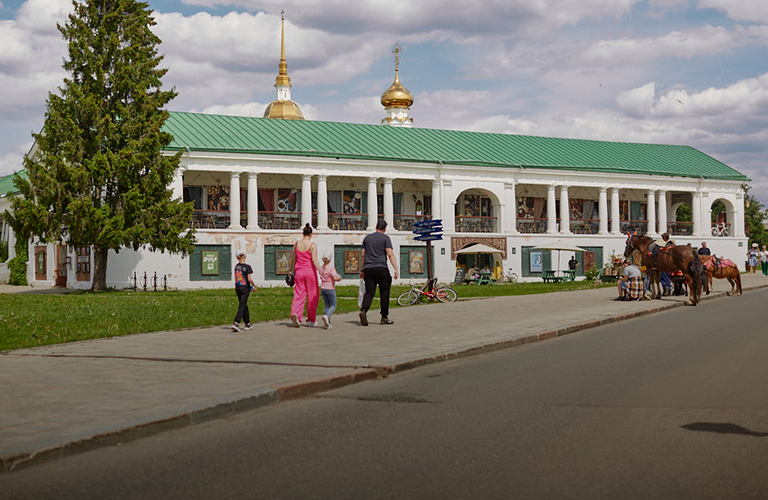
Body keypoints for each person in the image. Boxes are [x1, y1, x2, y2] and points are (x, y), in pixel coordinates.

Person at [359, 219, 399, 326]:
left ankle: (364, 310)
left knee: (369, 292)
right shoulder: (385, 238)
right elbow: (390, 254)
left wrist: (362, 270)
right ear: (385, 229)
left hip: (368, 269)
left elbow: (363, 255)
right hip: (381, 268)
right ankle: (384, 317)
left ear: (376, 227)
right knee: (384, 293)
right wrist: (396, 269)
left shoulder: (367, 238)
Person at [290, 223, 322, 327]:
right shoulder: (312, 245)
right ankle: (311, 320)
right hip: (310, 272)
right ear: (311, 234)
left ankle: (296, 314)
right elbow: (314, 260)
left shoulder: (297, 244)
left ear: (303, 233)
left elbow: (293, 259)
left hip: (299, 272)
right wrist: (321, 270)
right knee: (313, 295)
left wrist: (290, 271)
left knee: (299, 294)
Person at [232, 251, 256, 332]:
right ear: (245, 256)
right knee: (242, 305)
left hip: (238, 287)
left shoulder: (236, 267)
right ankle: (236, 322)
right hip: (245, 288)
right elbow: (249, 279)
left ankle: (247, 323)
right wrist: (254, 285)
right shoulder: (247, 267)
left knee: (244, 304)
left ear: (237, 258)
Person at [319, 251, 342, 329]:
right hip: (330, 288)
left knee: (327, 305)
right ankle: (327, 316)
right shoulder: (331, 268)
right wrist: (340, 278)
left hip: (323, 288)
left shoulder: (320, 268)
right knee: (333, 305)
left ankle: (328, 323)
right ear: (329, 260)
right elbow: (335, 278)